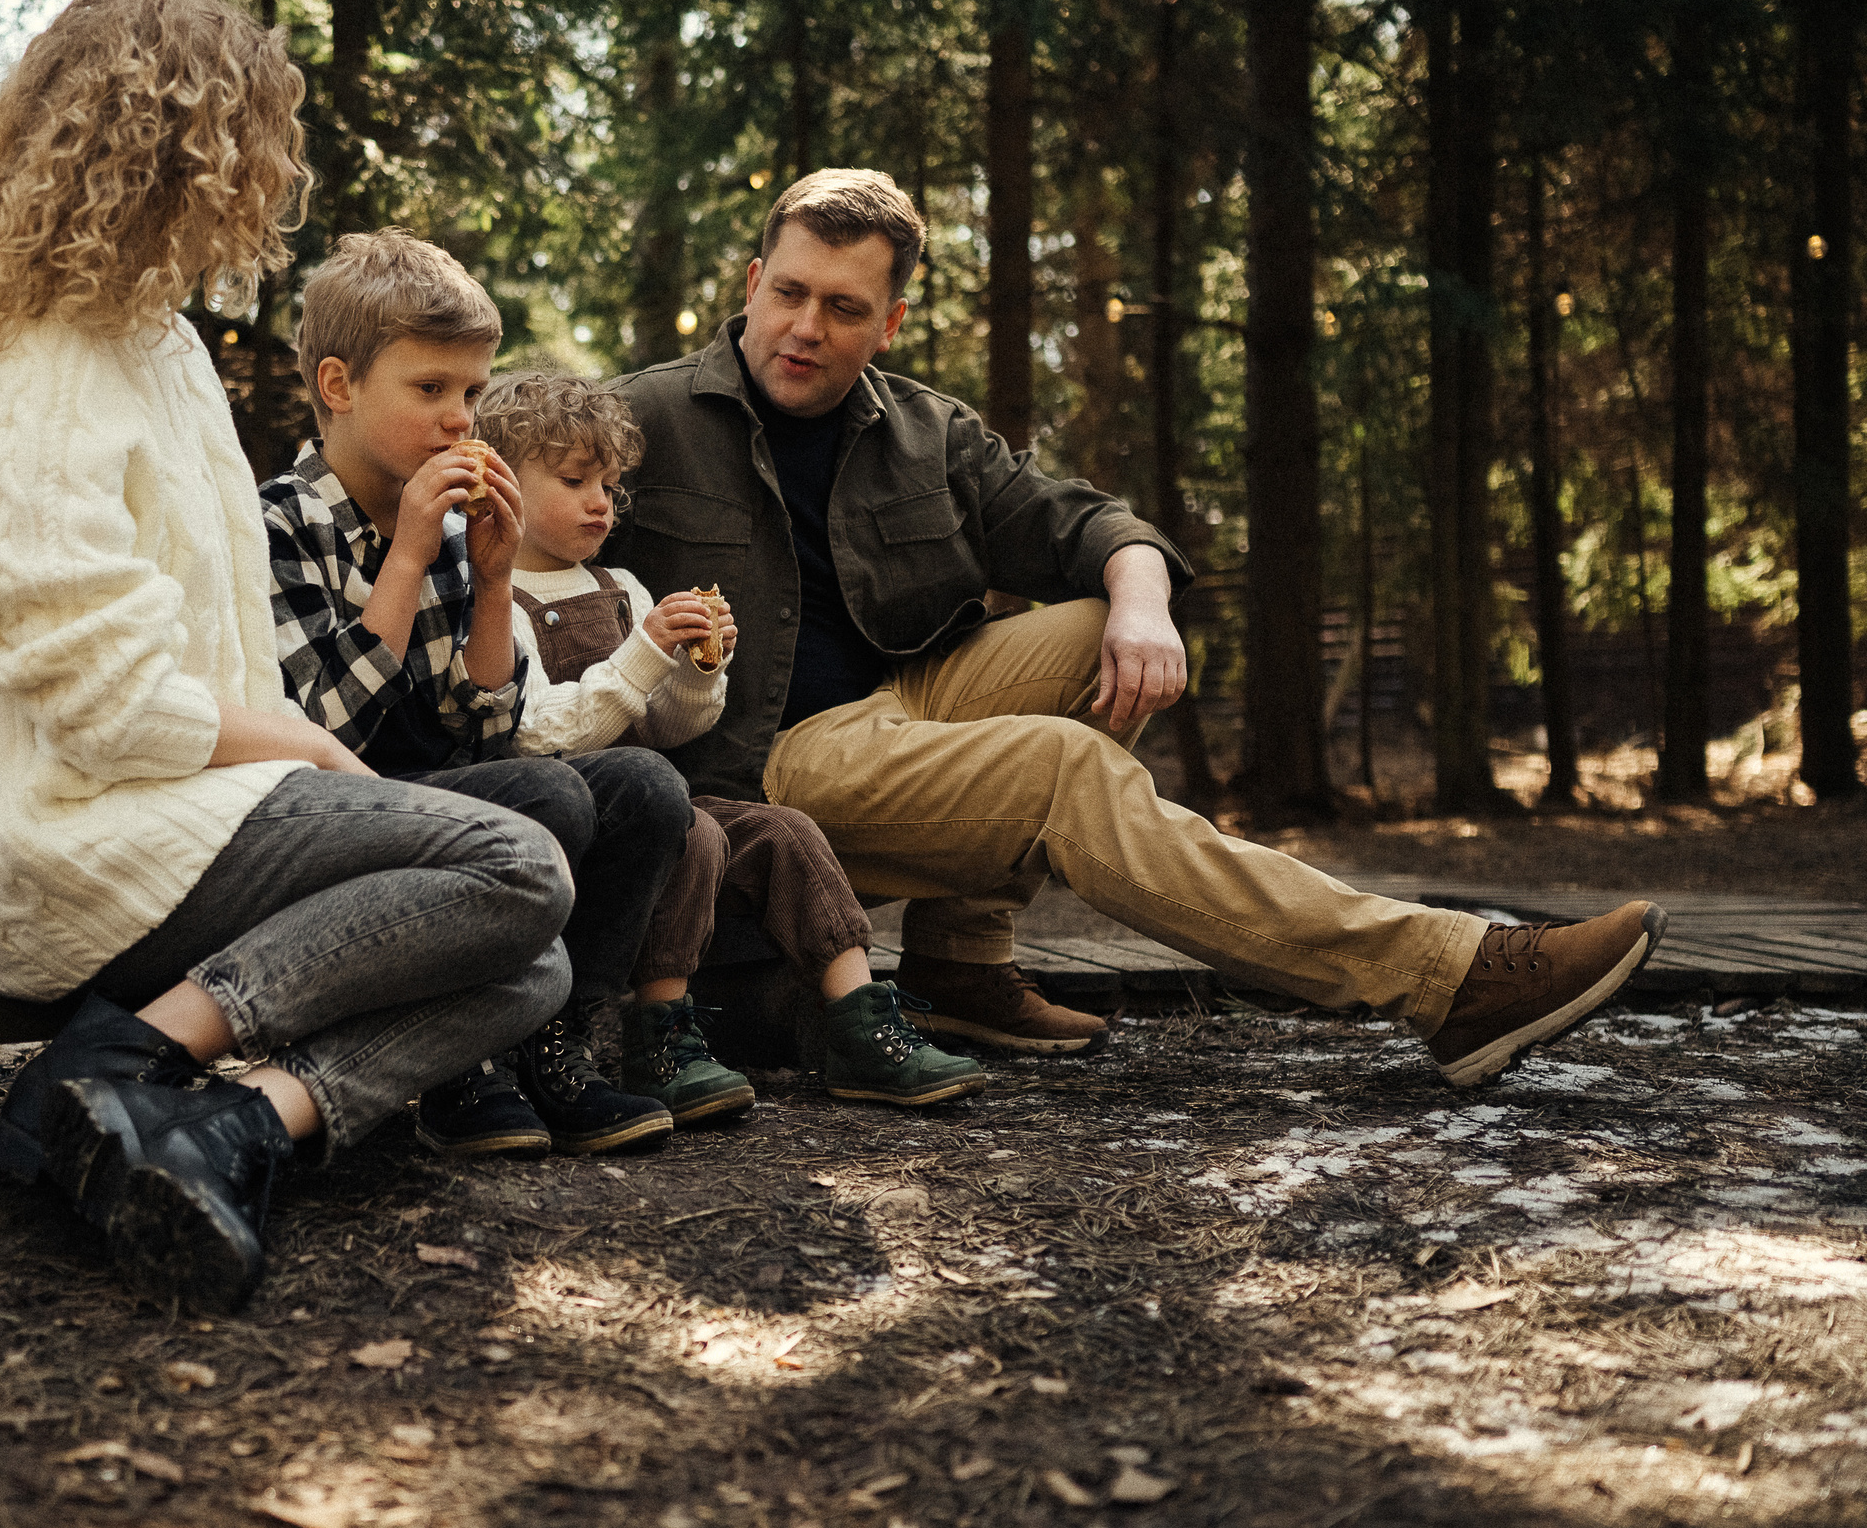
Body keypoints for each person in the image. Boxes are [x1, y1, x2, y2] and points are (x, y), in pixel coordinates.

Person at [604, 168, 1664, 1088]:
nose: (805, 327)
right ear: (751, 285)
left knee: (1096, 629)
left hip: (897, 708)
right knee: (1061, 766)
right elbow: (505, 468)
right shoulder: (643, 421)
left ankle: (963, 964)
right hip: (757, 773)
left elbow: (1086, 523)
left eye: (843, 308)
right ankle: (1444, 975)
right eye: (788, 293)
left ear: (888, 324)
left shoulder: (925, 431)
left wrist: (1144, 605)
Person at [0, 0, 575, 1312]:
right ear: (169, 152)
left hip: (182, 812)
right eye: (245, 147)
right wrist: (308, 744)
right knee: (519, 864)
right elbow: (99, 702)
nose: (261, 182)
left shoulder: (160, 346)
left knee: (528, 960)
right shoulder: (35, 372)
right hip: (69, 838)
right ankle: (120, 1064)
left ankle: (233, 1129)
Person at [258, 229, 687, 1158]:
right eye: (431, 390)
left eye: (473, 393)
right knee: (549, 794)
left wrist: (491, 582)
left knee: (644, 787)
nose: (463, 421)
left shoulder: (458, 532)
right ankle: (459, 1058)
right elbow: (320, 725)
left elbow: (488, 729)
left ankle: (553, 1041)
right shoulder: (280, 524)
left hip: (454, 802)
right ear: (338, 387)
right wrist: (407, 557)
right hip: (337, 817)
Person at [484, 369, 988, 1115]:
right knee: (693, 833)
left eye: (611, 485)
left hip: (665, 795)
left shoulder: (621, 585)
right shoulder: (497, 600)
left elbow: (671, 727)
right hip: (585, 830)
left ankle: (861, 1024)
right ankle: (657, 1037)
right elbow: (541, 736)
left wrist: (697, 668)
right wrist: (645, 654)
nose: (600, 502)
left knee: (784, 831)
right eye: (574, 480)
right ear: (505, 483)